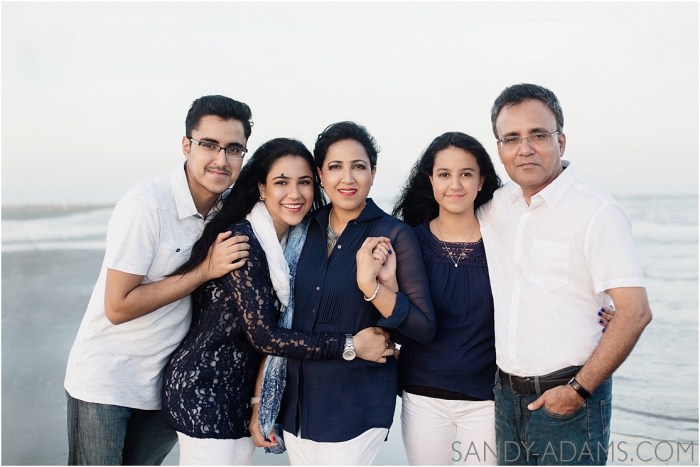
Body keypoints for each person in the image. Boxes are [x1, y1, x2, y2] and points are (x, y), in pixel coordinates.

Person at [161, 138, 393, 465]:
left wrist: (259, 401)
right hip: (206, 388)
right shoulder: (244, 241)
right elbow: (265, 336)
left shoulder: (293, 243)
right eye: (281, 183)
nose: (294, 194)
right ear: (262, 188)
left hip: (241, 391)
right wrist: (351, 345)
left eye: (304, 183)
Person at [64, 95, 253, 465]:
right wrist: (203, 270)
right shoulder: (147, 204)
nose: (221, 159)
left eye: (234, 149)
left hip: (167, 384)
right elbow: (118, 306)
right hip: (108, 380)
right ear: (186, 145)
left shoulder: (231, 210)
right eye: (209, 145)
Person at [480, 83, 652, 465]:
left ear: (561, 140)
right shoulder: (493, 207)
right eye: (512, 138)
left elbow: (635, 312)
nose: (525, 148)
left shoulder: (597, 212)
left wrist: (578, 390)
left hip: (571, 401)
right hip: (506, 398)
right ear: (500, 149)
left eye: (538, 135)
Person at [273, 121, 436, 465]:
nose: (347, 178)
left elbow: (422, 328)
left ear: (373, 173)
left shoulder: (394, 234)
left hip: (357, 407)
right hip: (297, 410)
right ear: (320, 175)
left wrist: (372, 287)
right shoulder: (302, 229)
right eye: (335, 167)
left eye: (358, 167)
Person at [392, 132, 501, 465]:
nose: (455, 185)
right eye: (444, 174)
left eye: (466, 174)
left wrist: (598, 308)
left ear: (481, 181)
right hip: (422, 396)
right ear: (431, 180)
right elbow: (397, 319)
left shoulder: (503, 242)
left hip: (487, 400)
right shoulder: (408, 241)